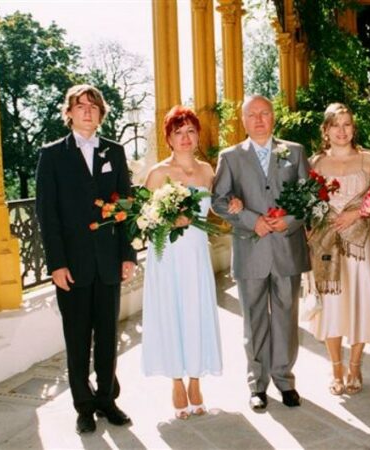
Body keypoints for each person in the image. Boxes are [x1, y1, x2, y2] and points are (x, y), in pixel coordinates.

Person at [36, 84, 136, 434]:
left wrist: (127, 254)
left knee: (108, 335)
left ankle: (107, 399)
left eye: (93, 105)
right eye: (80, 106)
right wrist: (56, 264)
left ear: (101, 112)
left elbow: (126, 205)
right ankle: (83, 405)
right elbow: (47, 215)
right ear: (69, 113)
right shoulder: (52, 155)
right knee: (77, 337)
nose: (87, 111)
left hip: (108, 261)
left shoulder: (115, 151)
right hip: (72, 266)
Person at [140, 105, 242, 420]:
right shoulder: (158, 173)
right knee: (171, 313)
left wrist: (235, 204)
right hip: (167, 258)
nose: (185, 138)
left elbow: (218, 208)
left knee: (196, 312)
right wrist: (169, 221)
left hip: (197, 254)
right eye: (178, 132)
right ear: (168, 138)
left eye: (190, 131)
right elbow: (143, 221)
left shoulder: (208, 171)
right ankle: (176, 381)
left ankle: (196, 380)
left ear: (198, 135)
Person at [212, 95, 311, 411]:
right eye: (251, 114)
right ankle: (257, 385)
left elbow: (308, 196)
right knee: (254, 321)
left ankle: (284, 379)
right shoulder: (230, 157)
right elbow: (219, 199)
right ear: (242, 120)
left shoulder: (294, 152)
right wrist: (252, 221)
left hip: (286, 248)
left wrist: (287, 222)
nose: (258, 119)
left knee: (285, 316)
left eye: (264, 113)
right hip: (251, 250)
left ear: (273, 117)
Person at [307, 103, 370, 396]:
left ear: (354, 128)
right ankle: (336, 368)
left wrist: (356, 214)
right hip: (327, 240)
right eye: (335, 125)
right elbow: (307, 203)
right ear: (326, 130)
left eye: (347, 124)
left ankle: (355, 366)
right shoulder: (314, 163)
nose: (342, 131)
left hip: (360, 243)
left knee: (360, 301)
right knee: (331, 305)